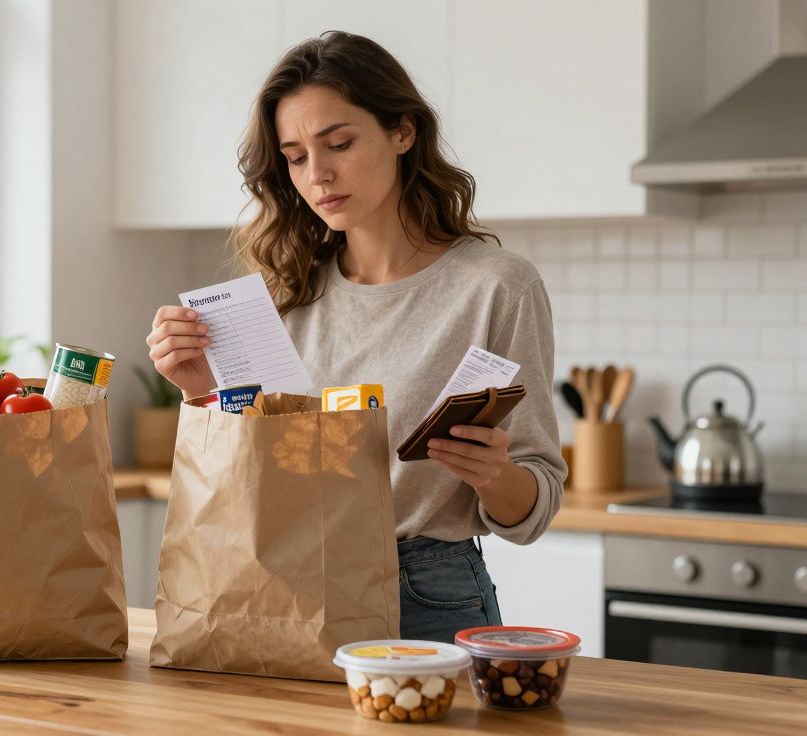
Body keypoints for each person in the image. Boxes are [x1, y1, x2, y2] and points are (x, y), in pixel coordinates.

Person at [145, 31, 566, 643]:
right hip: (281, 583)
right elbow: (243, 483)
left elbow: (531, 514)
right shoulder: (281, 292)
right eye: (294, 157)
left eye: (339, 143)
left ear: (402, 131)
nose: (318, 175)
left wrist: (493, 473)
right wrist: (200, 391)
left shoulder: (497, 288)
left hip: (425, 591)